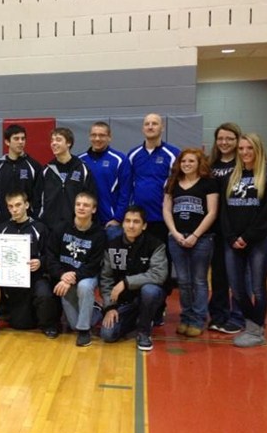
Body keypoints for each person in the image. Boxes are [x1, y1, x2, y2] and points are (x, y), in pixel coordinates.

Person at [221, 133, 267, 347]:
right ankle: (254, 326)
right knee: (237, 289)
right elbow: (225, 212)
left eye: (249, 148)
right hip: (232, 243)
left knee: (257, 288)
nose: (245, 152)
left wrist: (247, 237)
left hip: (258, 243)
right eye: (241, 149)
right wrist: (231, 237)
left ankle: (256, 331)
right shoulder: (232, 176)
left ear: (258, 149)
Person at [0, 191, 58, 338]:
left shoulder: (39, 228)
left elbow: (50, 256)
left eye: (18, 205)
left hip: (35, 276)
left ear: (27, 205)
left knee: (45, 295)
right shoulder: (2, 229)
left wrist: (40, 262)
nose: (14, 209)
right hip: (12, 278)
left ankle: (48, 325)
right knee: (20, 324)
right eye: (10, 206)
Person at [127, 113, 180, 324]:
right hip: (138, 222)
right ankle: (137, 306)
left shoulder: (172, 153)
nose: (150, 127)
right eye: (147, 124)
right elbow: (127, 186)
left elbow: (177, 187)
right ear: (142, 129)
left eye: (154, 123)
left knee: (161, 267)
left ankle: (158, 308)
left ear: (162, 127)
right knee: (138, 265)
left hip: (161, 221)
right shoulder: (133, 155)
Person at [163, 149, 219, 337]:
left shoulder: (208, 183)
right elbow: (167, 210)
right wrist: (175, 233)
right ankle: (186, 317)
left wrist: (195, 235)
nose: (187, 164)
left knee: (199, 281)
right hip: (177, 238)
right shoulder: (173, 182)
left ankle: (198, 319)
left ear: (199, 163)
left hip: (202, 238)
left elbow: (212, 212)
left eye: (191, 161)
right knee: (184, 282)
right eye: (184, 161)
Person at [100, 205, 168, 351]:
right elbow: (106, 279)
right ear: (122, 223)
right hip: (125, 302)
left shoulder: (156, 245)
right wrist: (109, 307)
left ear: (144, 226)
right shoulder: (112, 245)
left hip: (149, 296)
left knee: (149, 291)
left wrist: (126, 282)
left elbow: (158, 275)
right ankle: (139, 317)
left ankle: (144, 332)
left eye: (136, 222)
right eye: (128, 221)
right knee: (108, 334)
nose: (131, 226)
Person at [46, 192, 106, 347]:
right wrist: (62, 275)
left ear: (93, 209)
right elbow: (50, 256)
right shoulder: (61, 228)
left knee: (84, 287)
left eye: (86, 205)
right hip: (64, 277)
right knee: (72, 325)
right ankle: (96, 310)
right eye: (78, 204)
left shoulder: (99, 234)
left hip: (86, 277)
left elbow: (94, 265)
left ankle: (84, 331)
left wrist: (73, 277)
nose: (81, 208)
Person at [207, 122, 245, 334]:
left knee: (237, 275)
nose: (224, 142)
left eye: (229, 138)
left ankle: (239, 316)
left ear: (237, 140)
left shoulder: (245, 164)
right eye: (220, 138)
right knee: (219, 275)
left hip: (236, 229)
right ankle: (218, 315)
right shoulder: (211, 165)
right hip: (216, 229)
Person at [34, 127, 95, 233]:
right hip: (49, 227)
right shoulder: (47, 170)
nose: (53, 143)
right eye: (52, 140)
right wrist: (40, 219)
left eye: (58, 139)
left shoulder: (82, 168)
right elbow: (37, 199)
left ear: (68, 143)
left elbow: (90, 197)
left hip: (75, 227)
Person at [78, 121, 131, 240]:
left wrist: (117, 218)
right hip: (86, 223)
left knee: (111, 258)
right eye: (94, 135)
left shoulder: (120, 160)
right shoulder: (80, 161)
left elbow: (126, 192)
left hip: (110, 224)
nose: (97, 138)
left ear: (109, 138)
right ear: (89, 136)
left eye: (102, 135)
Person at [0, 124, 43, 222]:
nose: (20, 142)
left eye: (23, 139)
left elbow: (38, 197)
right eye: (16, 139)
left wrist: (35, 218)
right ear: (7, 142)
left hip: (28, 223)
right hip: (3, 221)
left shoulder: (34, 166)